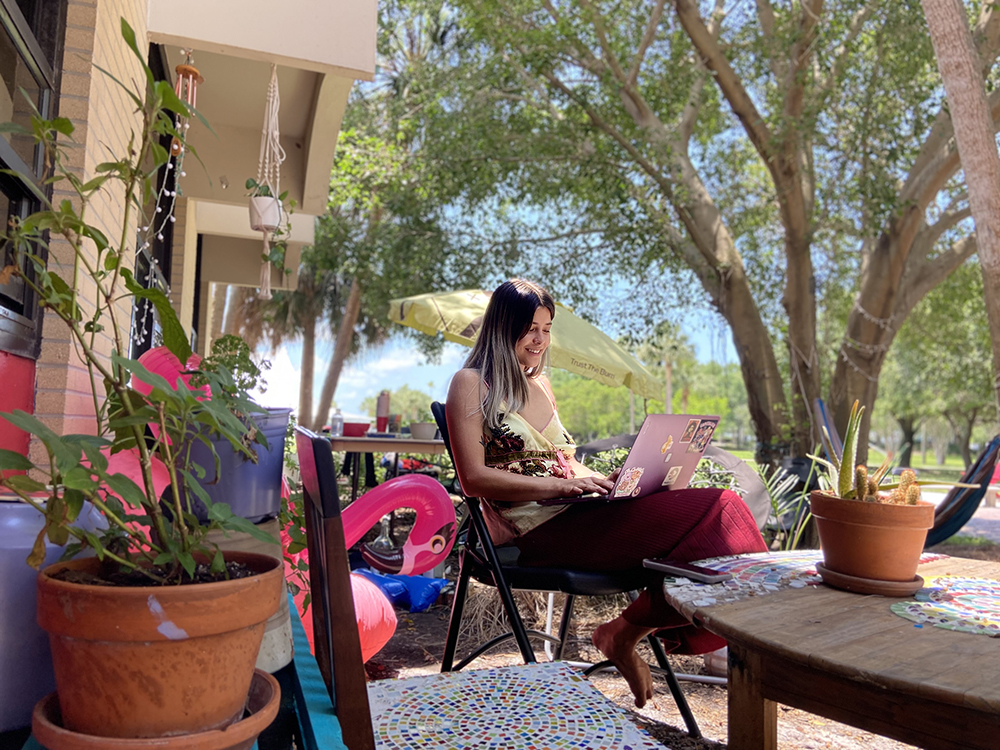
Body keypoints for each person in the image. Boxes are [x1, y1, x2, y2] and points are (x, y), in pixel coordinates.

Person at [446, 279, 767, 708]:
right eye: (530, 329)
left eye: (546, 328)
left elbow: (567, 461)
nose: (540, 339)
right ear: (503, 326)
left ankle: (624, 632)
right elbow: (473, 479)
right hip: (541, 532)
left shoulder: (541, 386)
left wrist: (609, 480)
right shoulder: (470, 384)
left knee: (716, 522)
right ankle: (636, 633)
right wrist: (560, 485)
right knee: (722, 509)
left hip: (585, 514)